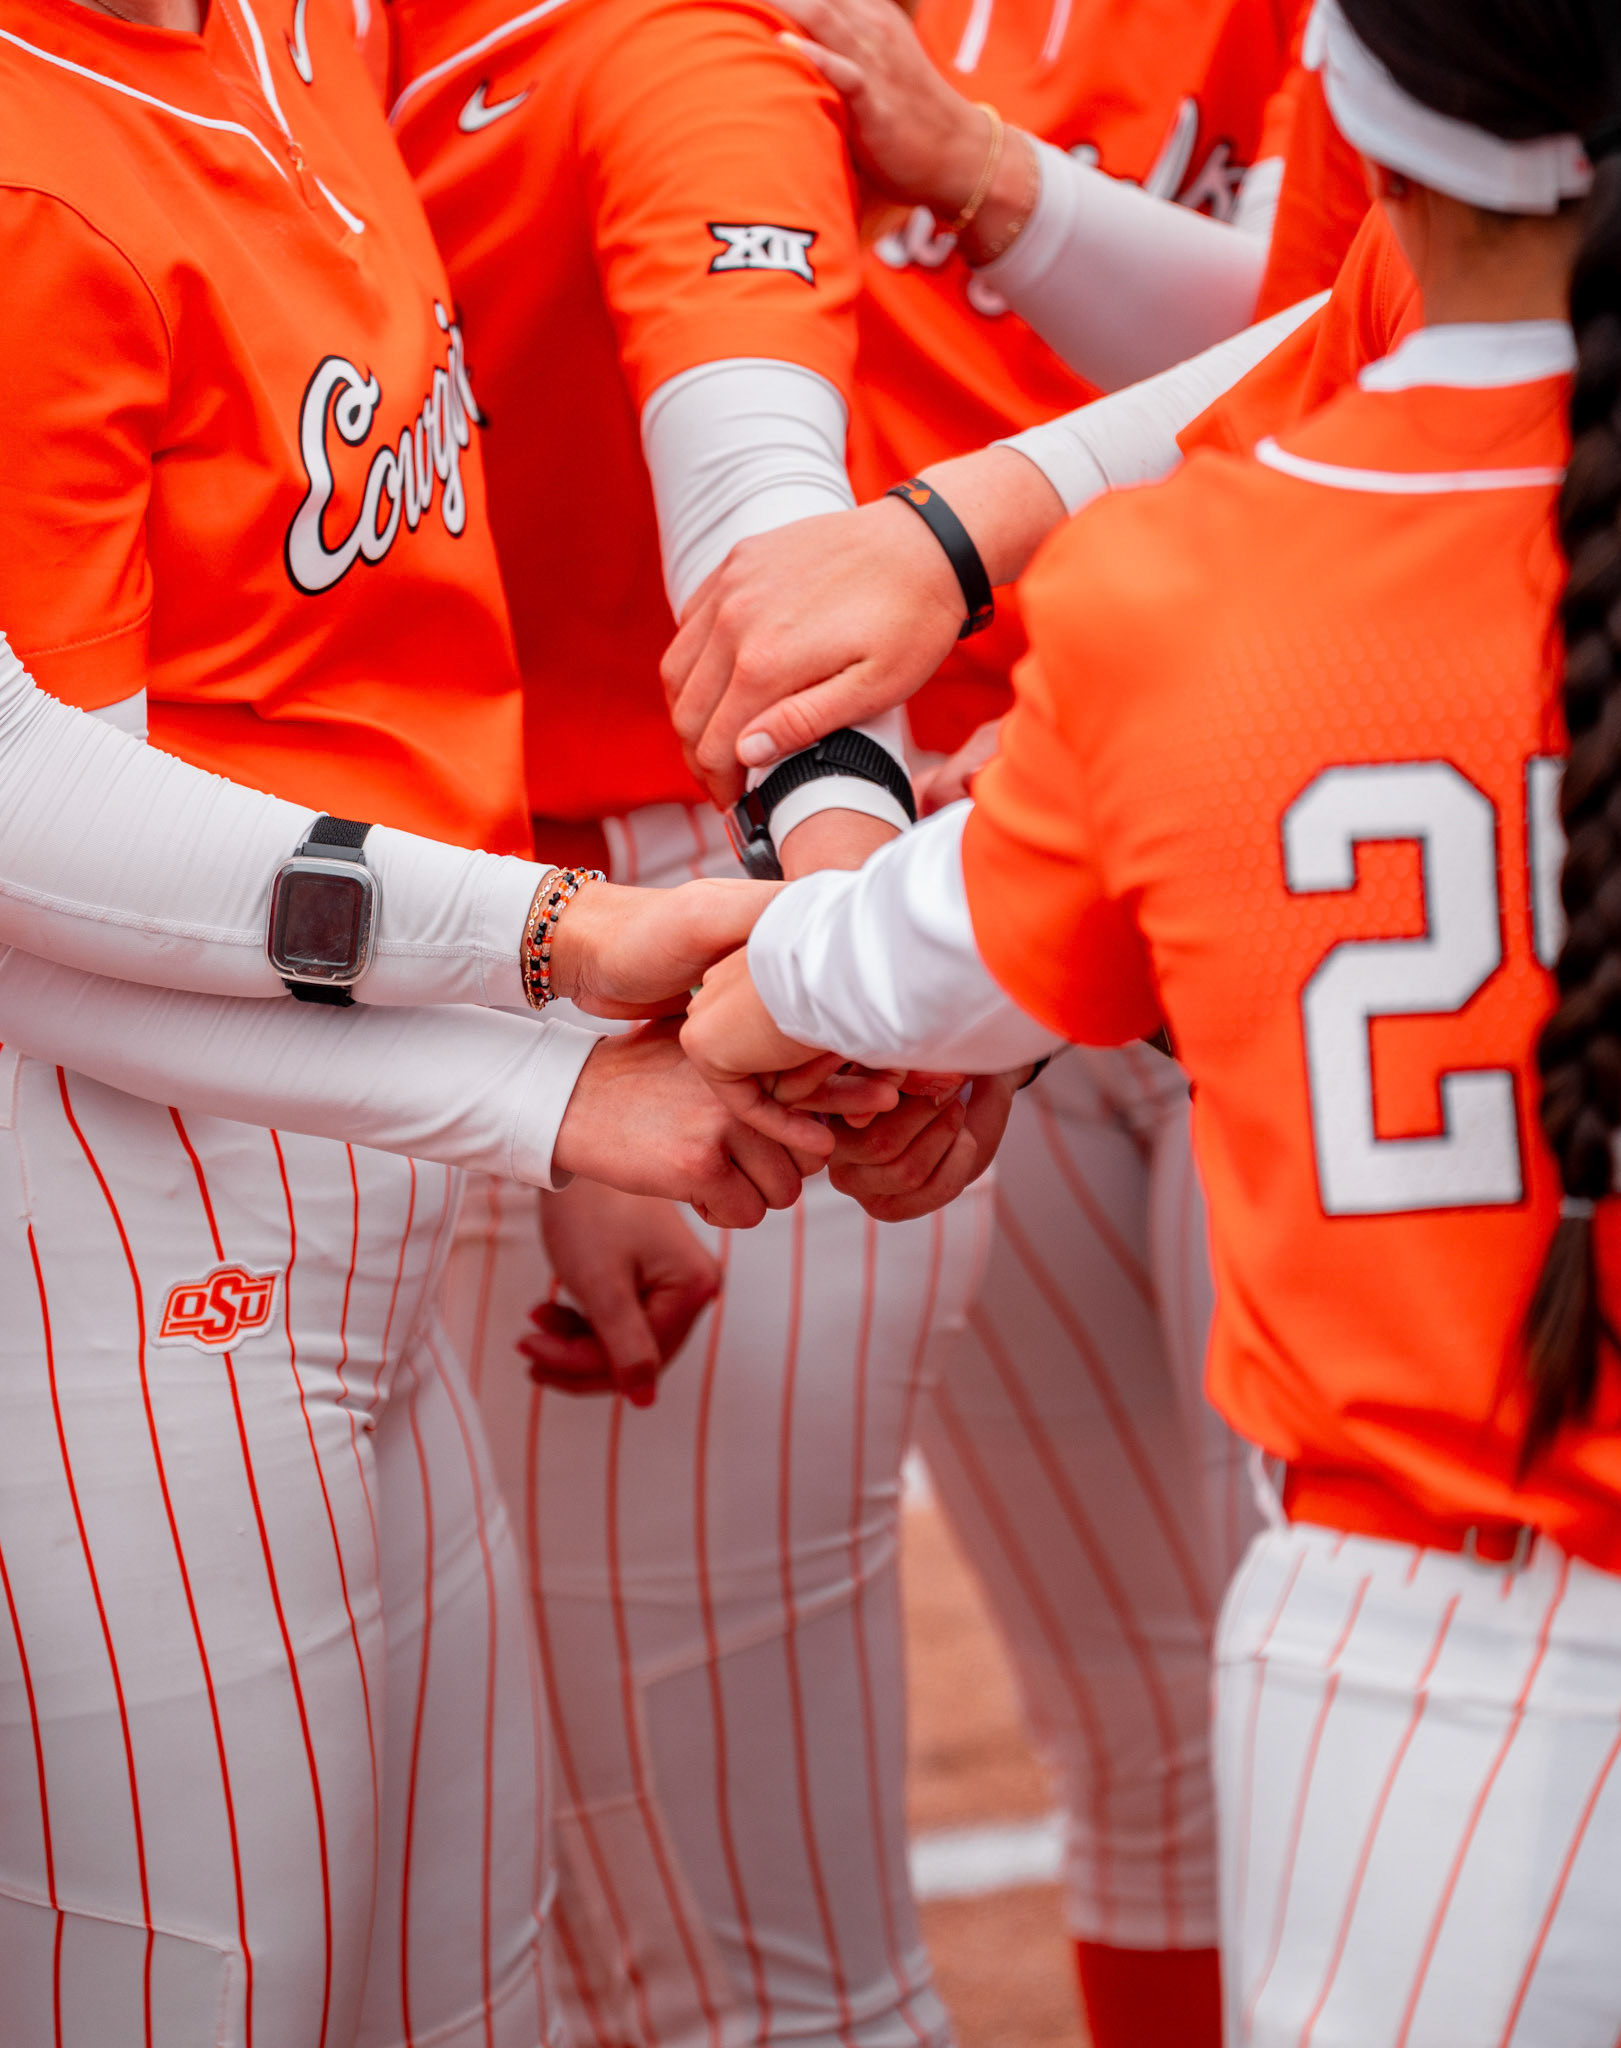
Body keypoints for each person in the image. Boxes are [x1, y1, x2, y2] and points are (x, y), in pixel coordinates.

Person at [682, 0, 1621, 2037]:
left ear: (1353, 137)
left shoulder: (1197, 594)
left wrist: (629, 940)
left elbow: (839, 972)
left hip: (1430, 1665)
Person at [0, 4, 838, 2039]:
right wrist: (546, 996)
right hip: (114, 1207)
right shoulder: (34, 167)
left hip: (356, 1157)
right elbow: (29, 853)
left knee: (464, 1994)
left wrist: (543, 1093)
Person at [387, 8, 1004, 2041]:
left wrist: (831, 920)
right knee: (574, 1932)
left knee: (744, 1967)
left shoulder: (673, 44)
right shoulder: (276, 44)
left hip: (693, 895)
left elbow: (761, 521)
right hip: (481, 930)